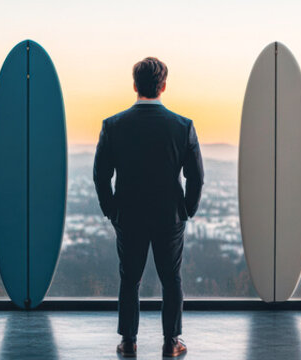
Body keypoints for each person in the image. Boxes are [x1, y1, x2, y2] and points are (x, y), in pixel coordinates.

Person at [94, 57, 203, 358]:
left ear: (134, 85)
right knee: (172, 278)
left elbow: (101, 174)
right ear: (163, 86)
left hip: (128, 214)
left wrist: (111, 210)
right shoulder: (183, 127)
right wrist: (187, 210)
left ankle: (128, 341)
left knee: (130, 278)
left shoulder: (113, 126)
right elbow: (196, 175)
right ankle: (171, 342)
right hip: (169, 215)